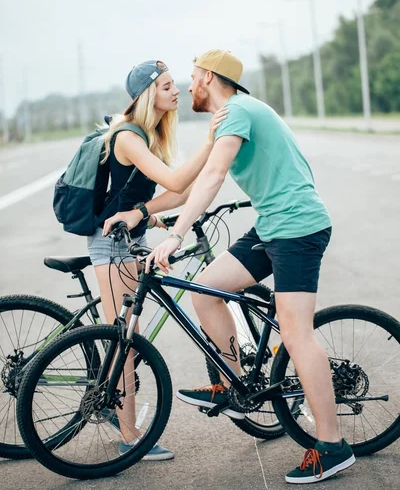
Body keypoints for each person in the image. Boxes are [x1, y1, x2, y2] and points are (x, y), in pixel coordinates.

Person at [138, 49, 355, 483]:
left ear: (210, 79)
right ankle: (234, 384)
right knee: (205, 289)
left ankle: (332, 446)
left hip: (297, 228)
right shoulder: (231, 116)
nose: (188, 86)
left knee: (295, 333)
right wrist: (153, 215)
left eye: (194, 77)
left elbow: (215, 175)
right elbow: (195, 182)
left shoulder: (236, 110)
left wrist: (177, 236)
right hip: (272, 226)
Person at [90, 59, 227, 460]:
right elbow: (177, 182)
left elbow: (180, 195)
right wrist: (211, 142)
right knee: (124, 343)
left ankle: (121, 416)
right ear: (150, 94)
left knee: (127, 338)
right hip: (111, 245)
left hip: (130, 238)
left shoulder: (147, 135)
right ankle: (129, 436)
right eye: (168, 86)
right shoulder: (128, 136)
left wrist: (146, 215)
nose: (178, 91)